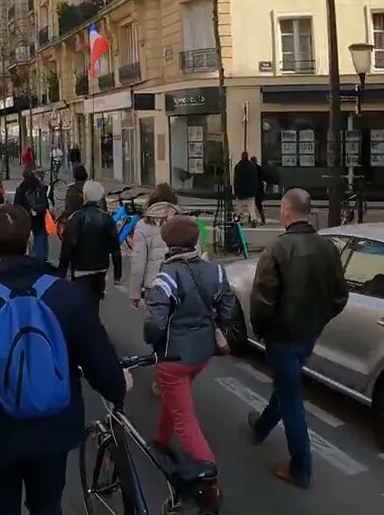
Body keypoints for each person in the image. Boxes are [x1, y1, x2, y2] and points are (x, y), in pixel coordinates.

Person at [0, 205, 129, 515]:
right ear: (30, 240)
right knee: (47, 510)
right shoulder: (66, 294)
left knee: (3, 512)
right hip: (53, 428)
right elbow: (97, 356)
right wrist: (117, 386)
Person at [247, 189, 348, 489]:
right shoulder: (328, 248)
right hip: (308, 334)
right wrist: (319, 319)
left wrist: (262, 330)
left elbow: (262, 301)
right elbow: (340, 296)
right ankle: (262, 426)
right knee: (287, 384)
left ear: (286, 211)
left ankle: (301, 468)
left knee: (291, 398)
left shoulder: (277, 250)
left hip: (282, 336)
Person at [142, 215, 237, 495]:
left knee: (185, 420)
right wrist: (217, 328)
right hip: (202, 353)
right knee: (177, 397)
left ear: (169, 244)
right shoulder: (216, 271)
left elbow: (155, 324)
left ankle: (208, 476)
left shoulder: (166, 277)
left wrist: (151, 340)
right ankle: (160, 439)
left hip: (172, 357)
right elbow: (228, 308)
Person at [57, 181, 122, 313]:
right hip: (101, 267)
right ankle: (93, 321)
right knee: (95, 298)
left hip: (81, 267)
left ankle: (86, 325)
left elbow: (68, 247)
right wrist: (117, 273)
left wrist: (61, 271)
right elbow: (115, 248)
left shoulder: (76, 218)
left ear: (85, 196)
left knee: (81, 300)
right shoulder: (107, 218)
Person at [127, 184, 183, 310]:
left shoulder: (143, 224)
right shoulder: (185, 221)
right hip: (180, 283)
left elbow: (138, 263)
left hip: (154, 285)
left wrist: (134, 293)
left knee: (155, 324)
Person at [14, 168, 51, 261]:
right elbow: (45, 203)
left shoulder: (21, 188)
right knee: (40, 236)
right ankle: (42, 259)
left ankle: (28, 259)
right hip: (39, 215)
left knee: (26, 238)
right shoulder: (39, 186)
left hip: (26, 217)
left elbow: (17, 204)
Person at [232, 152, 261, 226]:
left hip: (241, 190)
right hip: (250, 191)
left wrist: (235, 190)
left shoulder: (238, 166)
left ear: (241, 157)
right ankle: (253, 219)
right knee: (251, 207)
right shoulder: (252, 166)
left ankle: (237, 219)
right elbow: (255, 179)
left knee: (239, 207)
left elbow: (236, 180)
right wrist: (254, 190)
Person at [251, 156, 269, 224]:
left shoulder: (251, 169)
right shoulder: (259, 168)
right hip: (258, 188)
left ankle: (253, 219)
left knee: (253, 205)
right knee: (258, 205)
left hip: (254, 189)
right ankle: (262, 219)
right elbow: (263, 177)